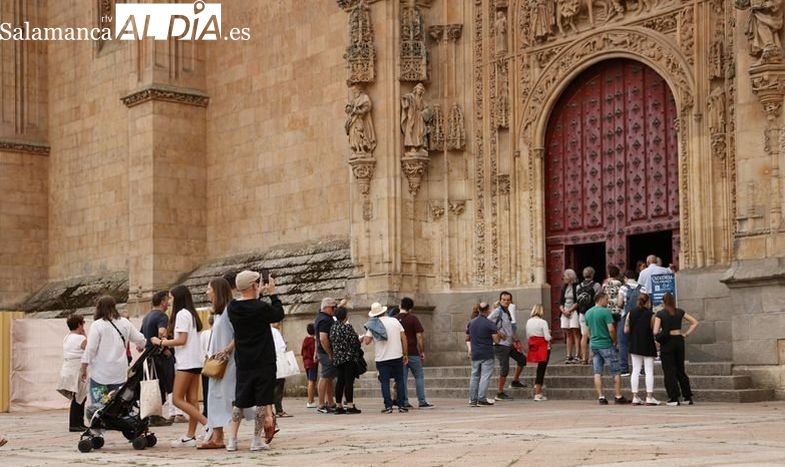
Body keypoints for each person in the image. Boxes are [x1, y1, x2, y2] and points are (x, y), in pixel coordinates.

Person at [226, 270, 285, 451]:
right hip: (263, 360)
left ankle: (232, 440)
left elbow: (250, 306)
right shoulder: (260, 308)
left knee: (240, 400)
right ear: (253, 285)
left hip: (244, 360)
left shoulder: (232, 308)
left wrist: (257, 294)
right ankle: (255, 440)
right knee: (262, 400)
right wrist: (273, 293)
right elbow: (278, 314)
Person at [198, 277, 254, 452]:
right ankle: (218, 436)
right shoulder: (219, 312)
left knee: (230, 396)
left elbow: (241, 332)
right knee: (215, 397)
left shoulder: (231, 310)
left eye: (209, 288)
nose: (207, 292)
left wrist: (228, 349)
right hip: (218, 361)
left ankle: (266, 418)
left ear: (217, 290)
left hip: (228, 362)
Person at [151, 285, 209, 448]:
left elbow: (181, 340)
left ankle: (207, 424)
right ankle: (190, 435)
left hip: (186, 362)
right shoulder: (191, 314)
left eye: (171, 298)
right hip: (195, 362)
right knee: (191, 399)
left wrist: (161, 342)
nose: (170, 301)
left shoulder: (182, 314)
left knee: (177, 399)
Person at [80, 296, 147, 417]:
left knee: (99, 405)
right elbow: (141, 339)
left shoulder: (97, 325)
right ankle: (119, 422)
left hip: (100, 374)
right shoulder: (125, 323)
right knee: (118, 402)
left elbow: (90, 349)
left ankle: (98, 430)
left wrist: (83, 368)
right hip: (119, 373)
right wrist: (142, 346)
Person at [584, 292, 631, 405]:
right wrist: (614, 340)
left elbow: (587, 331)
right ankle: (618, 395)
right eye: (606, 299)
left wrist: (592, 340)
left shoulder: (588, 312)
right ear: (600, 299)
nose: (608, 301)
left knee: (597, 371)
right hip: (606, 344)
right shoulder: (605, 312)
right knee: (615, 370)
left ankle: (601, 396)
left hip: (594, 345)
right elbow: (611, 329)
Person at [361, 302, 408, 413]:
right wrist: (405, 354)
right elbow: (404, 338)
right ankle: (401, 405)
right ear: (384, 311)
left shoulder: (373, 325)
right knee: (400, 380)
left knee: (385, 382)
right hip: (397, 355)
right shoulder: (395, 321)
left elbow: (367, 342)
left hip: (382, 358)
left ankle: (388, 406)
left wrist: (369, 336)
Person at [653, 293, 699, 406]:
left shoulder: (660, 314)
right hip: (679, 341)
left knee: (669, 371)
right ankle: (687, 396)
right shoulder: (680, 311)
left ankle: (674, 397)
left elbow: (655, 331)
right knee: (680, 369)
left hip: (667, 342)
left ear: (663, 302)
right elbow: (695, 322)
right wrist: (686, 334)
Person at [140, 291, 175, 426]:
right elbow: (161, 332)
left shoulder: (147, 316)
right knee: (167, 385)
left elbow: (142, 335)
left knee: (155, 385)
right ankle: (164, 414)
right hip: (160, 356)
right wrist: (165, 348)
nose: (169, 303)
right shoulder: (162, 316)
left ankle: (153, 415)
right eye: (167, 300)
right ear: (162, 301)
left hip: (149, 357)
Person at [396, 297, 434, 409]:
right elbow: (419, 336)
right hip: (413, 352)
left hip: (400, 353)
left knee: (402, 379)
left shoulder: (394, 319)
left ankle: (404, 401)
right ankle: (422, 401)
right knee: (419, 376)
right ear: (411, 308)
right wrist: (422, 351)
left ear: (400, 306)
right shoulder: (413, 319)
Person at [488, 291, 526, 401]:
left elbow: (509, 328)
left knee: (522, 359)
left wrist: (515, 339)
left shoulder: (507, 311)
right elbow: (487, 322)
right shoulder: (497, 311)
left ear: (510, 301)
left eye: (508, 300)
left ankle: (515, 381)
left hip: (509, 344)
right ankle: (499, 393)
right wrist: (498, 332)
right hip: (500, 345)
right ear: (500, 300)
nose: (506, 301)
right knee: (505, 368)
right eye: (503, 300)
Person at [624, 290, 660, 406]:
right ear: (647, 302)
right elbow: (654, 330)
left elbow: (626, 329)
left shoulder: (630, 313)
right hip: (648, 343)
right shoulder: (652, 314)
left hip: (634, 343)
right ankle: (649, 397)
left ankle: (635, 397)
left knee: (635, 370)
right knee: (649, 371)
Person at [466, 302, 502, 407]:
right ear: (488, 310)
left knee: (474, 376)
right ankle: (481, 398)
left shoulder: (471, 323)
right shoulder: (490, 323)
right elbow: (496, 340)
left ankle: (473, 400)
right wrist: (499, 336)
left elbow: (468, 337)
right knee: (485, 376)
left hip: (475, 353)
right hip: (487, 353)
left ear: (478, 309)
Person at [329, 306, 363, 414]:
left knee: (340, 381)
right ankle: (349, 405)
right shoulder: (347, 327)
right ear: (346, 316)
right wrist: (359, 339)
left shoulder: (333, 327)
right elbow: (355, 342)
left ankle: (338, 405)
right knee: (349, 382)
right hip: (349, 358)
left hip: (338, 358)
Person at [57, 314, 87, 432]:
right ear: (79, 324)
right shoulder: (80, 338)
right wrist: (84, 334)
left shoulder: (67, 337)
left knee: (76, 397)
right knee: (80, 397)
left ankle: (77, 422)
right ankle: (76, 423)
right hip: (77, 369)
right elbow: (89, 349)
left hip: (68, 368)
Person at [315, 297, 339, 413]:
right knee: (325, 376)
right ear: (326, 307)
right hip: (326, 352)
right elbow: (323, 338)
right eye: (333, 307)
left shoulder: (323, 317)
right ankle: (321, 404)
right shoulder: (325, 320)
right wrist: (330, 352)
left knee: (329, 377)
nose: (334, 309)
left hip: (323, 351)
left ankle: (330, 401)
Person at [603, 265, 628, 375]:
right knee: (618, 327)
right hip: (617, 308)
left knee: (609, 326)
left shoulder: (605, 283)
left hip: (608, 308)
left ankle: (611, 344)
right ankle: (617, 343)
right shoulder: (619, 284)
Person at [525, 305, 551, 401]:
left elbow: (528, 335)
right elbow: (547, 337)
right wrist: (549, 333)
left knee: (539, 368)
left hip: (533, 345)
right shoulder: (543, 322)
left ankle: (537, 390)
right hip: (543, 347)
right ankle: (538, 392)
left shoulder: (529, 321)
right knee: (542, 369)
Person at [576, 266, 601, 364]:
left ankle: (583, 357)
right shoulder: (596, 285)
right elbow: (598, 298)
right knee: (592, 335)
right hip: (592, 312)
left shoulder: (579, 286)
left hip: (582, 313)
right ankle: (591, 357)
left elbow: (578, 299)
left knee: (584, 335)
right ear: (593, 274)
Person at [345, 84, 376, 154]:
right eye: (353, 92)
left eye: (355, 91)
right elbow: (348, 109)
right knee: (354, 136)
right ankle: (357, 149)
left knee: (361, 135)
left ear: (359, 90)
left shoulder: (364, 97)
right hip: (354, 121)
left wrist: (359, 111)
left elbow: (367, 106)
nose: (354, 93)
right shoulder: (353, 100)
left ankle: (363, 149)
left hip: (361, 120)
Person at [270, 321, 292, 418]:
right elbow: (282, 347)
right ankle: (279, 409)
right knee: (278, 386)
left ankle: (270, 410)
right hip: (278, 362)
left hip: (269, 362)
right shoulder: (275, 331)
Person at [400, 82, 430, 152]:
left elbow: (426, 107)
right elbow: (404, 98)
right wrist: (406, 99)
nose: (420, 90)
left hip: (420, 118)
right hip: (413, 117)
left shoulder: (422, 100)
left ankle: (420, 147)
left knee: (420, 132)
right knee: (412, 131)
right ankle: (412, 147)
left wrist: (425, 112)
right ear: (415, 89)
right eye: (419, 89)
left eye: (421, 89)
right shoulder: (412, 96)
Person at [559, 268, 580, 364]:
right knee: (568, 334)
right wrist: (563, 311)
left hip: (574, 311)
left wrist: (570, 310)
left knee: (575, 332)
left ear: (570, 277)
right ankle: (569, 355)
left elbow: (578, 301)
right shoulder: (564, 287)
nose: (563, 278)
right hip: (565, 312)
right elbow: (560, 302)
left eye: (565, 276)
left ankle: (577, 354)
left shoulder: (577, 287)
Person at [300, 323, 318, 408]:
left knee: (310, 381)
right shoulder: (313, 341)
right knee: (312, 381)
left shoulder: (305, 340)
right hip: (312, 363)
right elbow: (314, 353)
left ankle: (311, 400)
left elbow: (302, 352)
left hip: (306, 363)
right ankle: (310, 400)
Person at [199, 315, 214, 418]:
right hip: (216, 364)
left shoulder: (204, 333)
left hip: (205, 364)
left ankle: (206, 410)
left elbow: (201, 348)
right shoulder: (218, 334)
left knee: (206, 388)